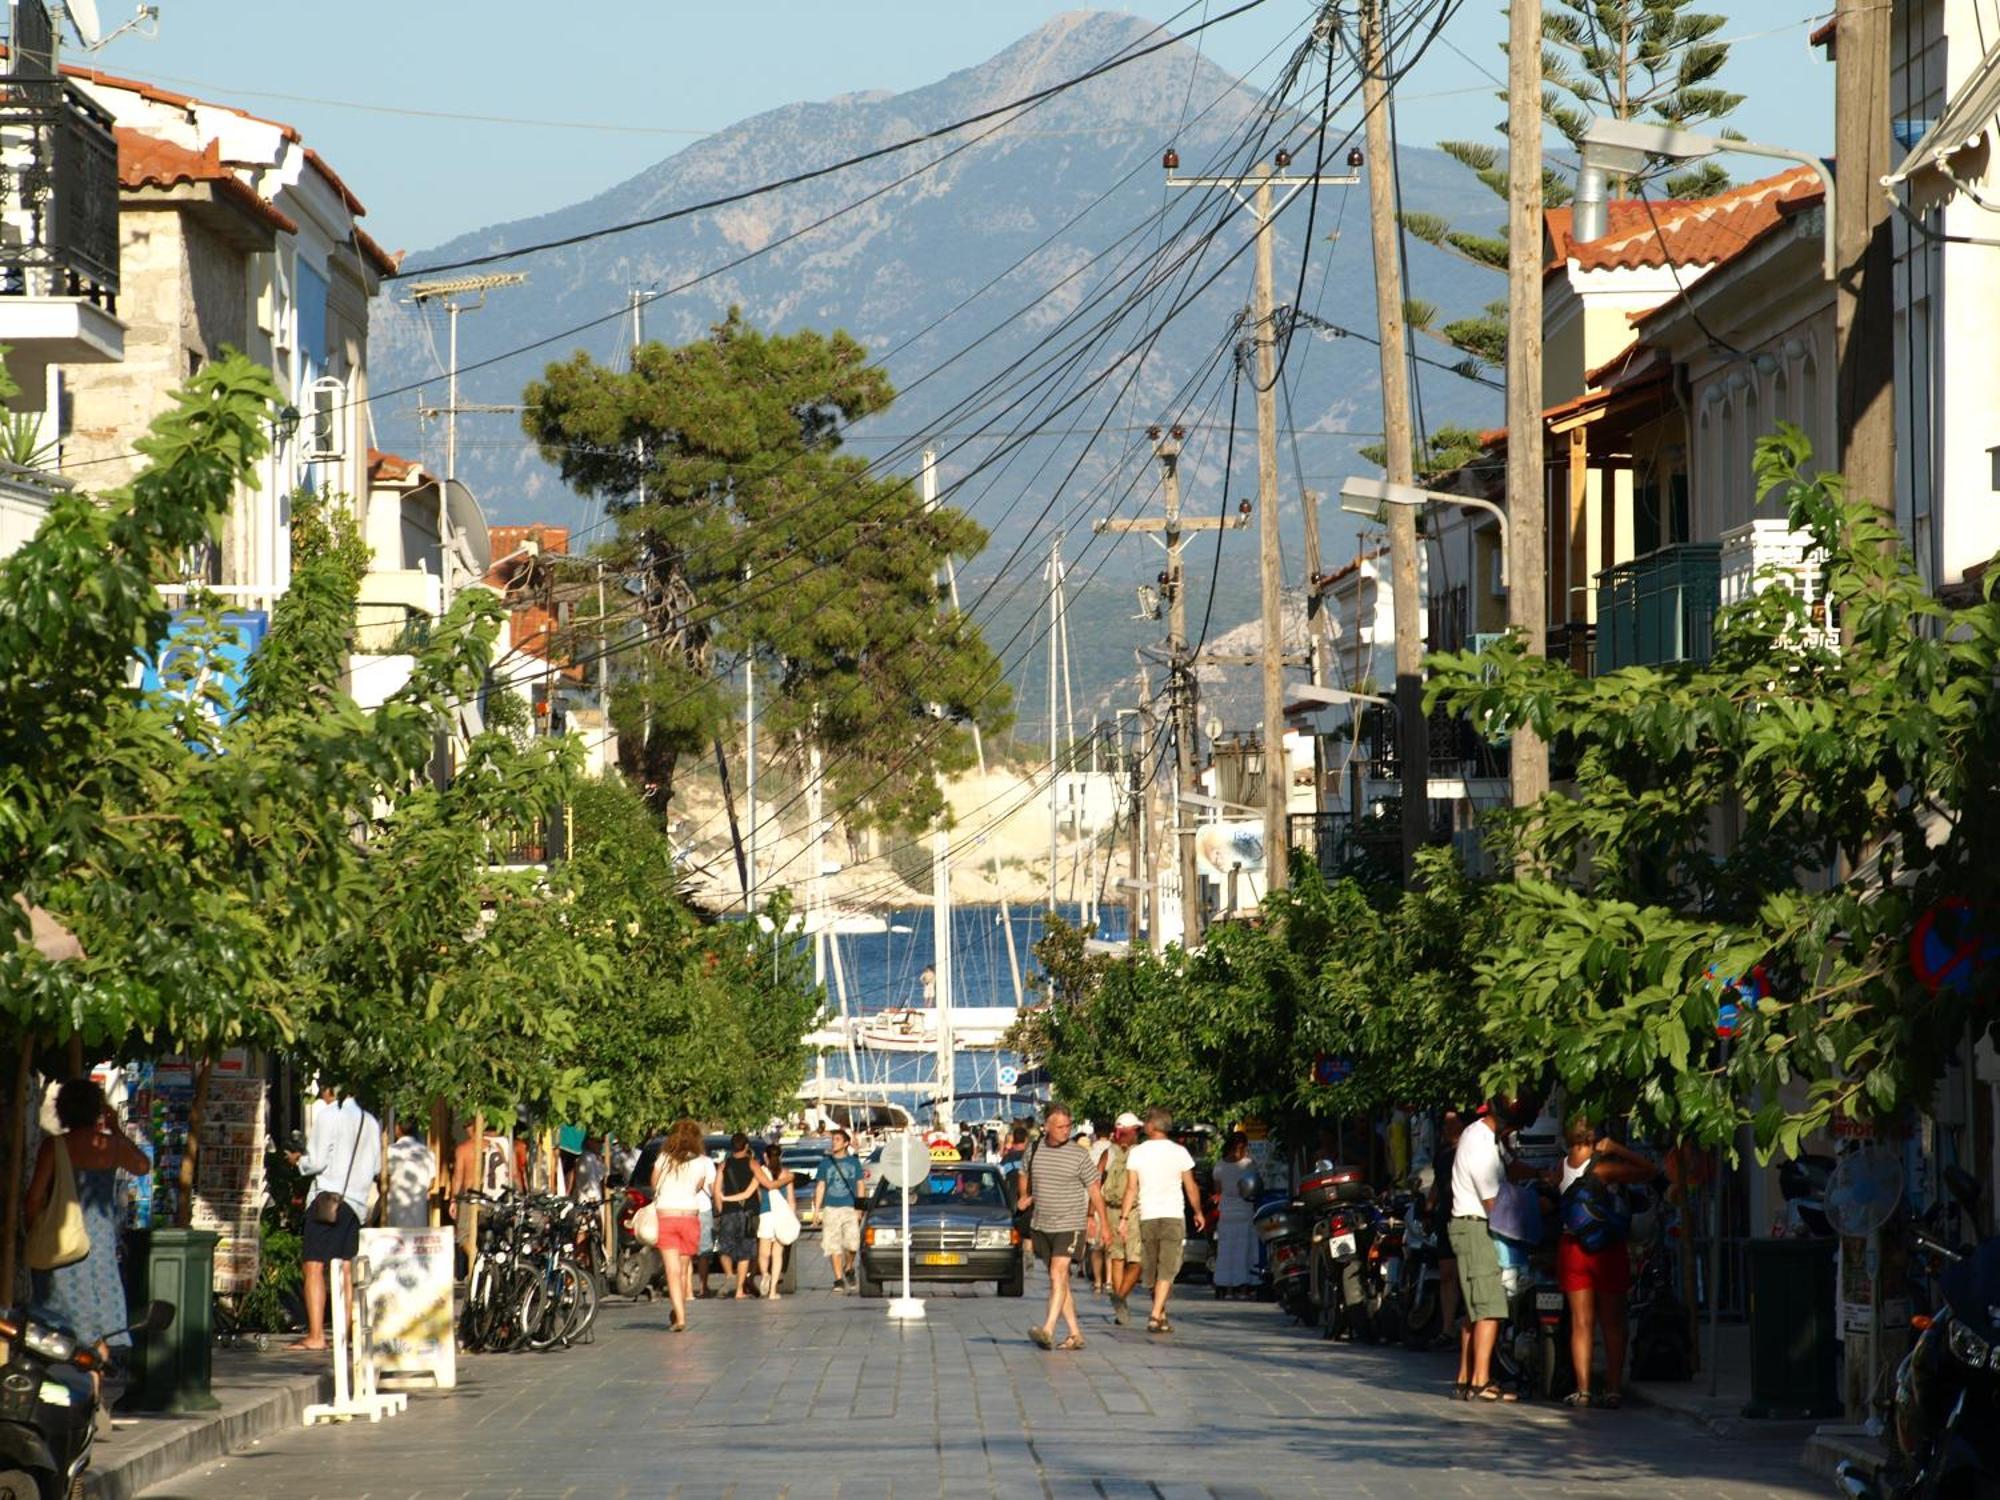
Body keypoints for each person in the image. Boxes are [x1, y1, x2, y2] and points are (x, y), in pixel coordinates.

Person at [25, 1078, 150, 1377]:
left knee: (58, 1326)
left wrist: (34, 1229)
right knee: (98, 1334)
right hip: (100, 1246)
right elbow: (142, 1166)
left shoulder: (54, 1147)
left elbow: (34, 1199)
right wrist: (116, 1129)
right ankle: (96, 1400)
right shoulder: (110, 1146)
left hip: (62, 1245)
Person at [1558, 1113, 1655, 1409]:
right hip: (1606, 1250)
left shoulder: (1562, 1166)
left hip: (1572, 1248)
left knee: (1581, 1323)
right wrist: (1617, 1148)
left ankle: (1584, 1389)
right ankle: (1612, 1388)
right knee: (1612, 1322)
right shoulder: (1603, 1168)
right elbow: (1648, 1170)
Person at [288, 1083, 383, 1353]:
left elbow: (316, 1161)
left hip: (327, 1200)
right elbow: (376, 1167)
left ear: (330, 1089)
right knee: (344, 1268)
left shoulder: (329, 1115)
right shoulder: (370, 1121)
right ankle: (344, 1335)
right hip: (355, 1204)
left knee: (314, 1266)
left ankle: (317, 1334)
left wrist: (298, 1162)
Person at [1017, 1105, 1106, 1351]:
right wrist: (1023, 1195)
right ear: (1046, 1126)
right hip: (1042, 1223)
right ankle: (1076, 1334)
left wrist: (1104, 1224)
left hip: (1070, 1223)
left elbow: (1094, 1190)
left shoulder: (1078, 1155)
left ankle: (1047, 1329)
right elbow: (1023, 1172)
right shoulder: (1034, 1149)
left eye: (1069, 1126)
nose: (1066, 1131)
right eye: (1061, 1127)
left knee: (1058, 1273)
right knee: (1059, 1279)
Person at [1450, 1099, 1521, 1402]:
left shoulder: (1483, 1136)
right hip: (1475, 1225)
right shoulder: (1480, 1144)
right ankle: (1480, 1381)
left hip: (1471, 1225)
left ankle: (1466, 1377)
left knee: (1475, 1307)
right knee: (1490, 1305)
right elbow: (1494, 1203)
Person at [1119, 1108, 1205, 1334]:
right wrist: (1198, 1212)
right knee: (1167, 1267)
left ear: (1151, 1126)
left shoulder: (1137, 1153)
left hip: (1147, 1215)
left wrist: (1124, 1217)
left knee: (1153, 1268)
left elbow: (1131, 1189)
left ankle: (1160, 1315)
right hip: (1173, 1215)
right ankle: (1156, 1314)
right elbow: (1191, 1186)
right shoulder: (1180, 1152)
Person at [649, 1119, 713, 1333]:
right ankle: (679, 1311)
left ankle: (680, 1316)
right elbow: (699, 1186)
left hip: (667, 1215)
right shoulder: (702, 1161)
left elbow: (654, 1183)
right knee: (684, 1267)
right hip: (689, 1216)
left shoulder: (664, 1158)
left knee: (672, 1269)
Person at [1099, 1113, 1142, 1324]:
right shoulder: (1109, 1154)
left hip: (1134, 1209)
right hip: (1114, 1210)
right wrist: (1092, 1214)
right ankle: (1120, 1305)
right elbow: (1096, 1182)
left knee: (1135, 1260)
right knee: (1118, 1257)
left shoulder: (1140, 1152)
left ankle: (1120, 1297)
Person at [813, 1128, 864, 1293]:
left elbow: (860, 1184)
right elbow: (821, 1186)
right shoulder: (825, 1163)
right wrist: (817, 1210)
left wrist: (860, 1207)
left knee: (853, 1244)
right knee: (832, 1244)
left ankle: (848, 1267)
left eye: (837, 1140)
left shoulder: (854, 1163)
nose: (833, 1142)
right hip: (831, 1207)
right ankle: (838, 1278)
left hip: (849, 1207)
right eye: (833, 1139)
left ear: (846, 1143)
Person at [1430, 1109, 1463, 1350]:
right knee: (1447, 1273)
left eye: (1453, 1121)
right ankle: (1447, 1327)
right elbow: (1438, 1182)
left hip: (1463, 1214)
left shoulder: (1468, 1150)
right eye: (1445, 1121)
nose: (1448, 1126)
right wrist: (1429, 1205)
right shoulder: (1442, 1152)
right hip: (1445, 1215)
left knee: (1464, 1273)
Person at [1211, 1130, 1258, 1299]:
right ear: (1244, 1146)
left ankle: (1224, 1283)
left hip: (1227, 1211)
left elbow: (1218, 1190)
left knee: (1225, 1249)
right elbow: (1254, 1186)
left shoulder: (1220, 1165)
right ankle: (1242, 1283)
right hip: (1245, 1209)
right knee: (1243, 1249)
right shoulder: (1249, 1164)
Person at [714, 1133, 761, 1298]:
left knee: (725, 1248)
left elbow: (716, 1189)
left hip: (728, 1211)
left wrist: (720, 1209)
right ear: (746, 1146)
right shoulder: (752, 1163)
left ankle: (729, 1274)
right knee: (745, 1251)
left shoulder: (724, 1165)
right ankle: (739, 1290)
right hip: (747, 1212)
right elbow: (757, 1189)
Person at [750, 1142, 796, 1300]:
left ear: (765, 1156)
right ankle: (773, 1291)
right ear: (781, 1156)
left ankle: (765, 1274)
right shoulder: (787, 1174)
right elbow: (791, 1199)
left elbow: (759, 1195)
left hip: (766, 1214)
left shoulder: (761, 1173)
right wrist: (792, 1216)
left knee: (763, 1253)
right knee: (778, 1254)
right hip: (782, 1216)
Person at [385, 1117, 435, 1230]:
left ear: (397, 1128)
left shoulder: (390, 1151)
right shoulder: (427, 1152)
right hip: (419, 1212)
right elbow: (431, 1182)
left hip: (395, 1210)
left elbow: (384, 1180)